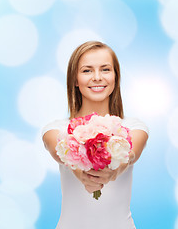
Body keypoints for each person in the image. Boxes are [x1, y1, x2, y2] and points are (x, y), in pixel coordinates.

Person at [42, 41, 149, 229]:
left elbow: (132, 153)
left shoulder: (132, 127)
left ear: (116, 76)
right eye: (87, 71)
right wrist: (80, 172)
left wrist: (116, 170)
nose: (97, 77)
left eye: (105, 69)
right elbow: (57, 149)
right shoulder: (56, 129)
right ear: (75, 80)